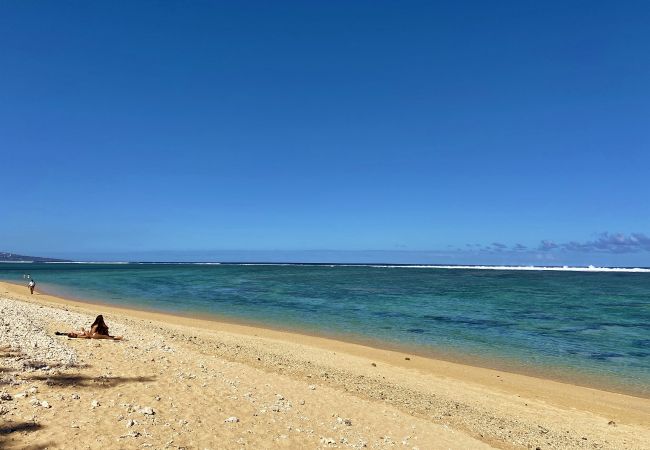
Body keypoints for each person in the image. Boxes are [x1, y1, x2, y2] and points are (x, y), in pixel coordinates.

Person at [55, 315, 123, 340]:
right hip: (94, 336)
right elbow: (105, 331)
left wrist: (84, 331)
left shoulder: (94, 324)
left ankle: (61, 333)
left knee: (106, 336)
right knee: (107, 337)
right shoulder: (101, 325)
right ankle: (118, 338)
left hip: (92, 335)